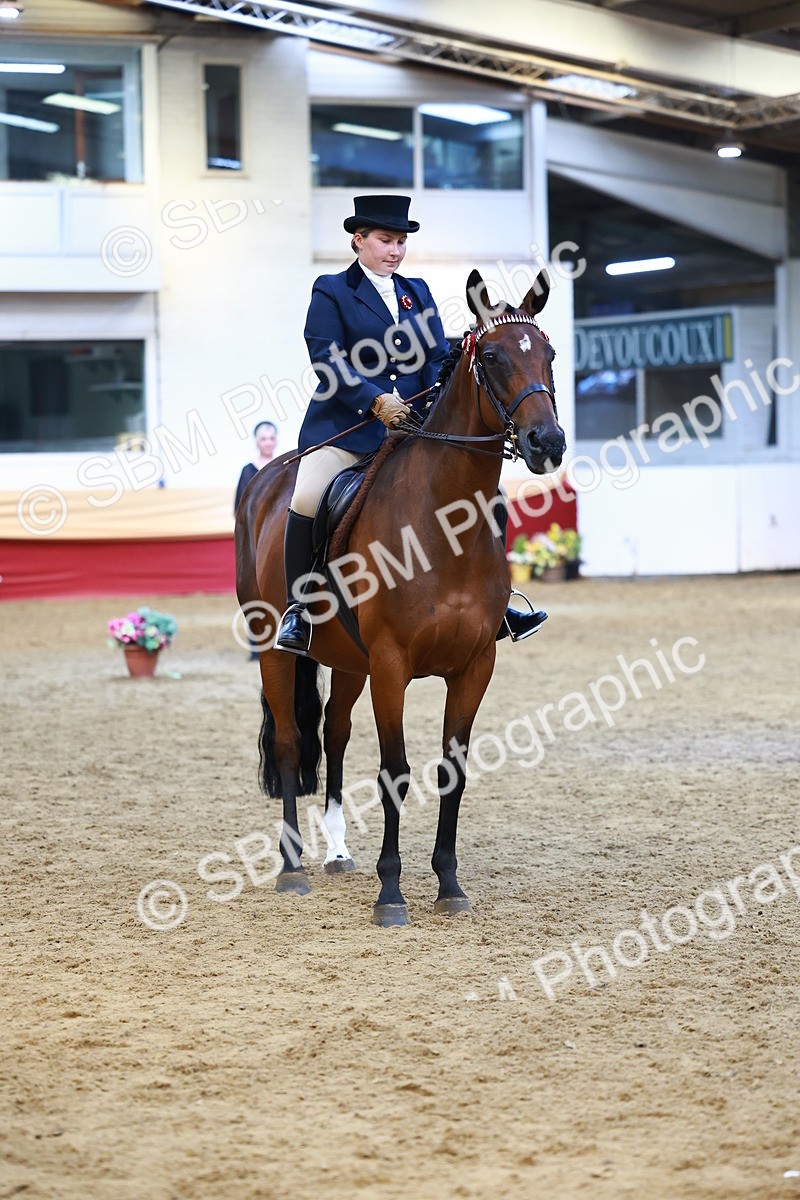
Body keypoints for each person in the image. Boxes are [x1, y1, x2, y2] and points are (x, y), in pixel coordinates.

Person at [275, 194, 546, 655]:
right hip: (348, 429)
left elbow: (437, 357)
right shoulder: (331, 290)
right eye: (386, 240)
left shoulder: (416, 291)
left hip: (416, 431)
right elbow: (327, 358)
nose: (395, 250)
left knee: (488, 497)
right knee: (306, 496)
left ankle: (498, 603)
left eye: (401, 241)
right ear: (358, 240)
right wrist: (375, 400)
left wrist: (472, 347)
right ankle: (299, 608)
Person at [235, 420, 278, 514]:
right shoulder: (248, 470)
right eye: (263, 439)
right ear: (257, 441)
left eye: (272, 438)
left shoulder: (282, 467)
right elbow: (240, 504)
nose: (268, 443)